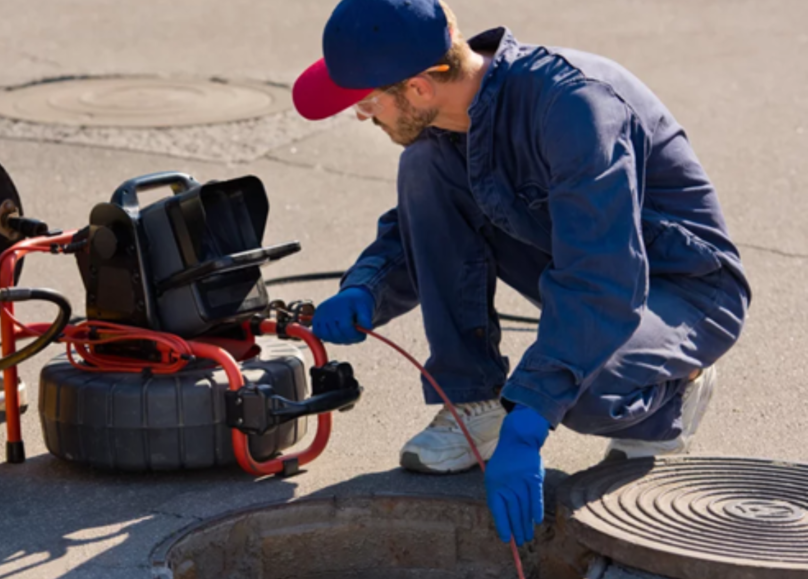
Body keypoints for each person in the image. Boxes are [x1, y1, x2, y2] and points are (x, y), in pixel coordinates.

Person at [292, 0, 751, 546]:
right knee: (425, 165)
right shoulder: (453, 116)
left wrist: (531, 417)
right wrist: (365, 289)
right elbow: (423, 225)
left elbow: (601, 281)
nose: (360, 114)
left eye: (366, 101)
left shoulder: (575, 108)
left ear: (417, 88)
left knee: (577, 391)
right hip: (581, 261)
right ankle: (474, 403)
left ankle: (671, 395)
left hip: (685, 287)